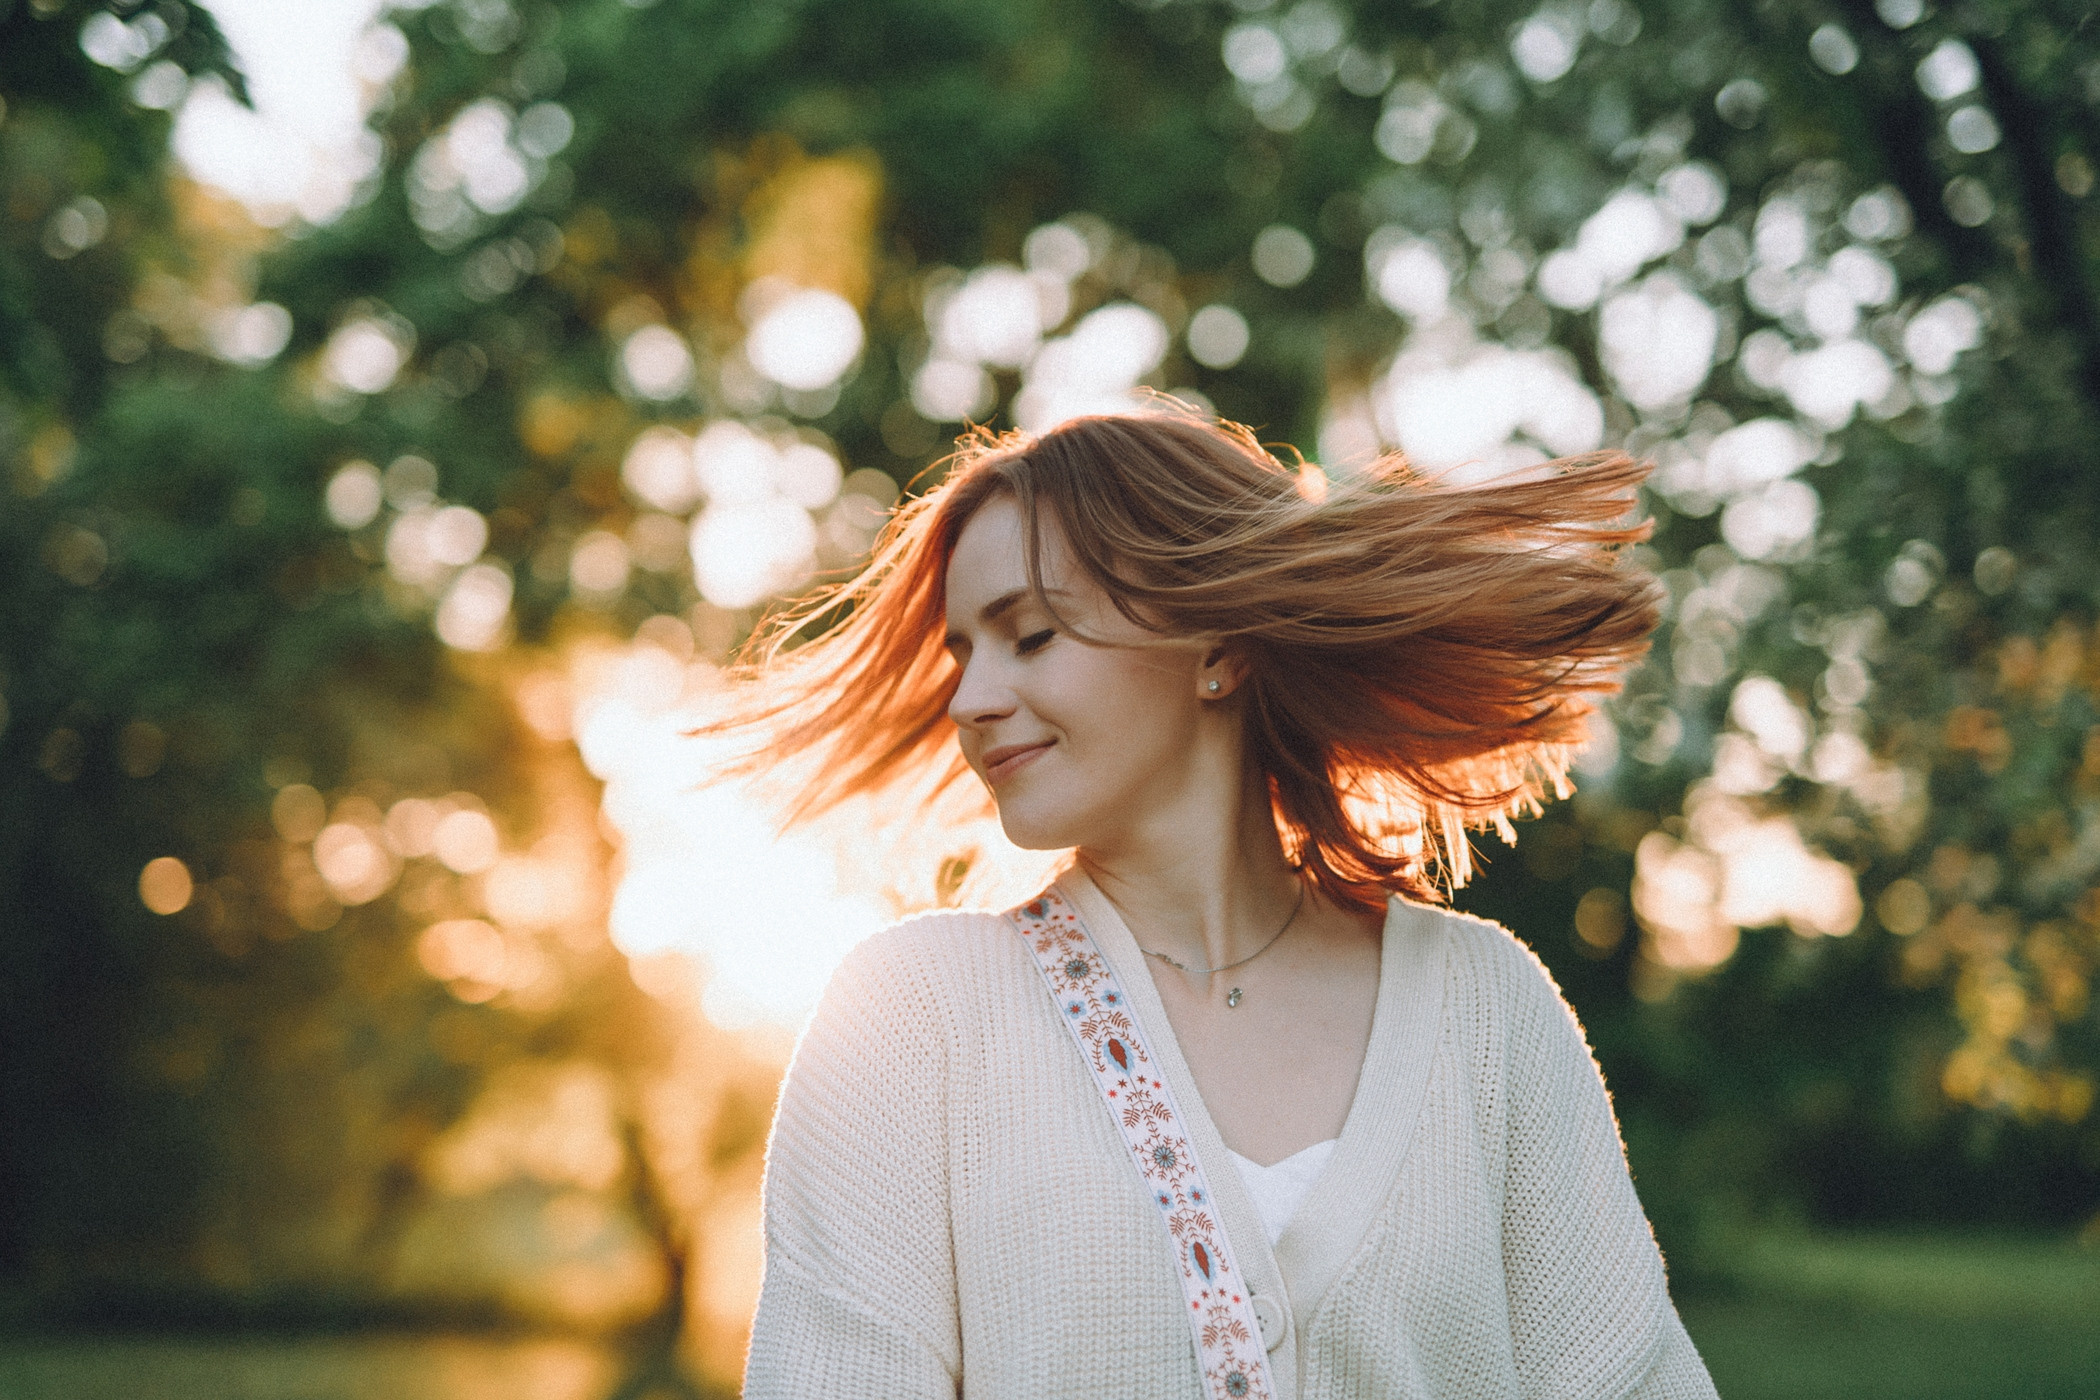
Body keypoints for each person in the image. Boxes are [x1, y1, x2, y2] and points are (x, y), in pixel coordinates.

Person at [726, 410, 1719, 1398]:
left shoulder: (1487, 1007)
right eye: (962, 654)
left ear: (1217, 648)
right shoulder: (912, 1015)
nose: (970, 699)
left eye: (1029, 635)